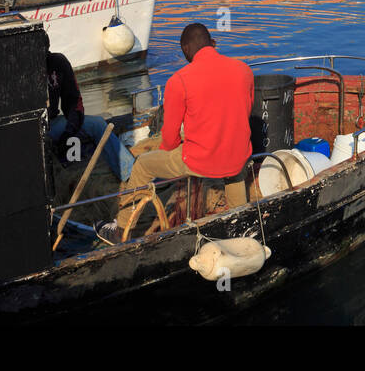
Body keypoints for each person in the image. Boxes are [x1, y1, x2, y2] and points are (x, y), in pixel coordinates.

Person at [98, 24, 253, 244]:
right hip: (238, 157)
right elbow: (244, 113)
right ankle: (240, 224)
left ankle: (121, 229)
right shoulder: (244, 70)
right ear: (212, 43)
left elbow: (170, 138)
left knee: (142, 164)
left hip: (201, 161)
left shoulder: (179, 80)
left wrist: (173, 149)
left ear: (186, 49)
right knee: (234, 166)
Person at [46, 52, 134, 182]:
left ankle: (130, 174)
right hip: (27, 132)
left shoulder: (57, 62)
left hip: (50, 124)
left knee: (97, 124)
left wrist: (70, 130)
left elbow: (73, 101)